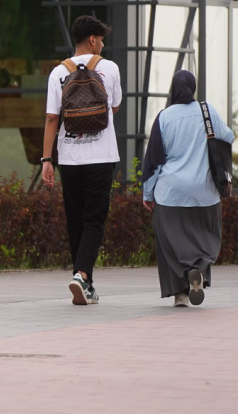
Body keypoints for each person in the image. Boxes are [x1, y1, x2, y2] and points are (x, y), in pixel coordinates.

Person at [41, 15, 122, 305]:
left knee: (75, 220)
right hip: (101, 157)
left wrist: (46, 159)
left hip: (69, 158)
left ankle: (84, 281)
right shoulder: (109, 68)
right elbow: (114, 107)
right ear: (92, 39)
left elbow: (52, 118)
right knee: (94, 220)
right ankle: (83, 275)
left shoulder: (58, 72)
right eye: (101, 39)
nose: (102, 45)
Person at [142, 70, 234, 307]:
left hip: (170, 193)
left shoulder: (164, 117)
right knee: (206, 237)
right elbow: (228, 136)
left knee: (170, 243)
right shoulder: (207, 111)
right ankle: (198, 270)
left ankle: (180, 295)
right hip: (204, 192)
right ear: (193, 87)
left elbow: (154, 162)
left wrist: (148, 193)